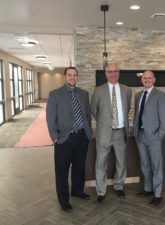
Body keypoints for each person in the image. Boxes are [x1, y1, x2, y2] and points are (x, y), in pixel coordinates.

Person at [46, 67, 91, 212]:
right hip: (64, 139)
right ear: (65, 77)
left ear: (77, 77)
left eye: (75, 75)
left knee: (79, 167)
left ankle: (77, 191)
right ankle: (64, 200)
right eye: (69, 75)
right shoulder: (55, 95)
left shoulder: (84, 94)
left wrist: (87, 132)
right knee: (62, 171)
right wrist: (54, 137)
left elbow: (88, 115)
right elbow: (50, 118)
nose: (72, 77)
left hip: (82, 137)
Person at [91, 63, 132, 204]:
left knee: (121, 162)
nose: (113, 74)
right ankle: (101, 191)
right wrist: (104, 123)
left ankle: (119, 186)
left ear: (119, 72)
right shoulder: (98, 91)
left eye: (115, 71)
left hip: (121, 132)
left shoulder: (127, 90)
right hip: (104, 133)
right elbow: (94, 111)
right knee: (101, 162)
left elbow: (127, 109)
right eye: (110, 71)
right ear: (106, 73)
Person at [133, 70, 165, 206]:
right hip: (140, 136)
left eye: (149, 78)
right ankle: (148, 189)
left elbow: (164, 120)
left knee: (156, 166)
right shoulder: (138, 96)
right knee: (145, 164)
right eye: (144, 78)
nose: (146, 80)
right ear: (141, 80)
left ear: (154, 80)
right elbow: (137, 115)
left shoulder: (161, 96)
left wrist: (159, 136)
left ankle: (158, 194)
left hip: (154, 137)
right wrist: (135, 132)